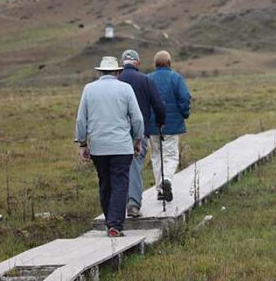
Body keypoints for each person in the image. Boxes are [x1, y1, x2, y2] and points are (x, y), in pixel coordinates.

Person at [75, 56, 144, 237]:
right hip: (121, 146)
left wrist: (82, 143)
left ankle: (110, 221)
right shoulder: (125, 88)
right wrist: (137, 141)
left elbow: (82, 119)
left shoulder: (89, 89)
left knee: (105, 184)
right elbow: (137, 118)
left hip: (98, 146)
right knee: (120, 184)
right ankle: (115, 225)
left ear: (100, 72)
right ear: (117, 72)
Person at [118, 49, 166, 218]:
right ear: (137, 63)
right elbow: (159, 106)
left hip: (116, 132)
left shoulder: (116, 79)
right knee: (135, 165)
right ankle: (133, 204)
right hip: (139, 132)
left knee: (117, 168)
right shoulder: (145, 80)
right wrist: (160, 122)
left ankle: (115, 207)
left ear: (122, 62)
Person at [146, 50, 192, 202]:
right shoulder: (176, 78)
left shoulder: (148, 79)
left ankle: (160, 190)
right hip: (172, 125)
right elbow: (184, 97)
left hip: (152, 125)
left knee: (156, 156)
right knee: (171, 155)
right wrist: (184, 113)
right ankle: (167, 181)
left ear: (155, 63)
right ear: (169, 63)